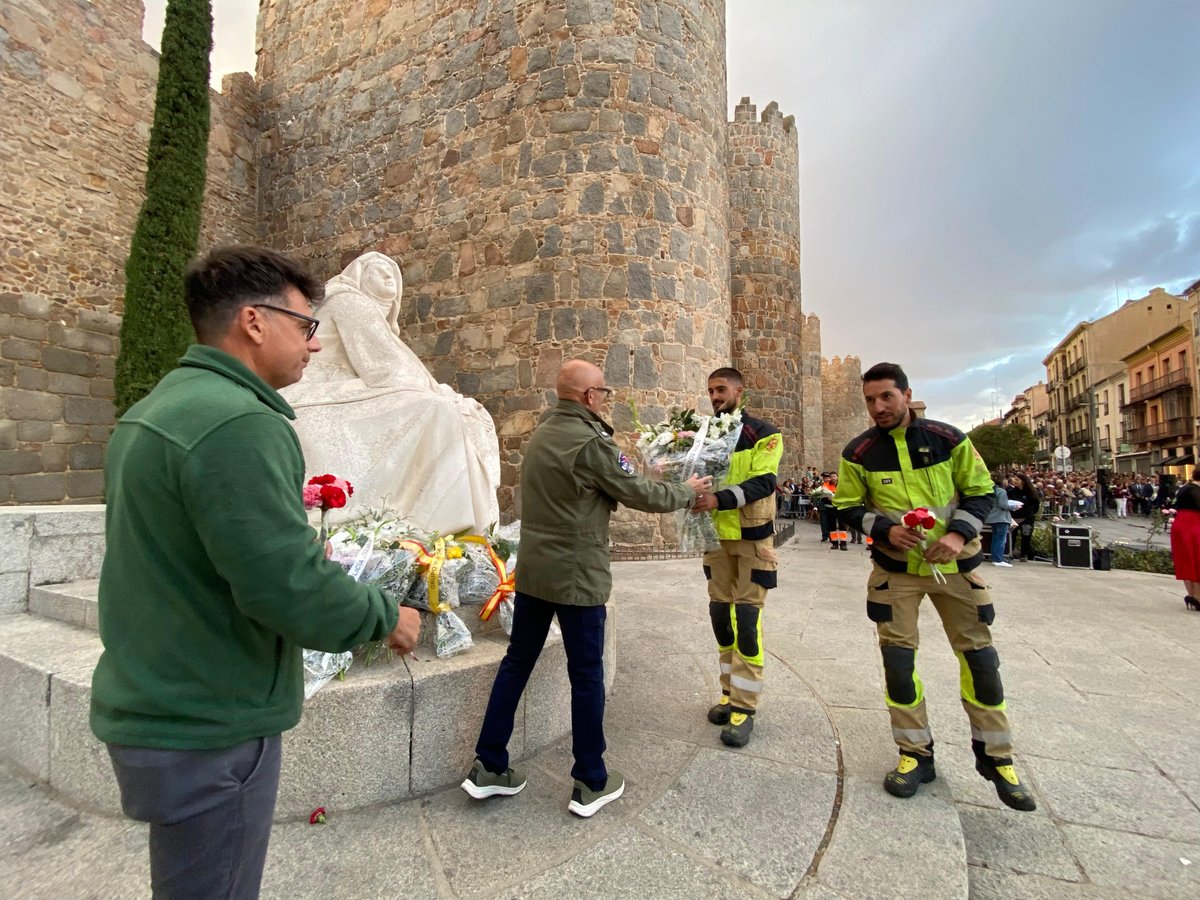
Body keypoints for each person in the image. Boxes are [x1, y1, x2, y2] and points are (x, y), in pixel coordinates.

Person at [90, 246, 421, 897]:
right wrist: (386, 614)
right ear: (253, 321)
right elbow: (286, 585)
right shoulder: (240, 422)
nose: (316, 347)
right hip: (212, 722)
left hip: (163, 701)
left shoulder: (158, 409)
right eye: (306, 327)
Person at [462, 360, 711, 817]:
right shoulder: (592, 442)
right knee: (586, 675)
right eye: (604, 391)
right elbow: (641, 495)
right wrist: (685, 490)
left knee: (517, 663)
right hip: (577, 577)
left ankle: (489, 765)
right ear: (587, 396)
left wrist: (635, 481)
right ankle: (591, 779)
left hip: (535, 573)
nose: (608, 399)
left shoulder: (541, 436)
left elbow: (595, 489)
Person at [834, 362, 1036, 811]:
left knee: (980, 659)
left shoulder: (948, 439)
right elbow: (846, 506)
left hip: (956, 567)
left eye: (886, 396)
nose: (878, 407)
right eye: (870, 400)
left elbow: (981, 491)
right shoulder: (859, 451)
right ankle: (914, 754)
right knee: (899, 663)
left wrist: (956, 534)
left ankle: (996, 757)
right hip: (896, 571)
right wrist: (884, 529)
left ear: (907, 394)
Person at [281, 252, 500, 535]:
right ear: (359, 275)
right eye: (378, 269)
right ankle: (436, 522)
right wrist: (442, 393)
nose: (388, 276)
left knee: (438, 406)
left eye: (393, 274)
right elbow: (385, 367)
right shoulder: (349, 300)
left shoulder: (356, 305)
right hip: (321, 389)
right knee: (435, 410)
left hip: (337, 388)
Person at [691, 367, 783, 748]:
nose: (715, 396)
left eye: (721, 389)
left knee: (747, 620)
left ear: (739, 391)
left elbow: (763, 482)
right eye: (711, 390)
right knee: (720, 617)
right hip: (715, 538)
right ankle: (728, 693)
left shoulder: (763, 433)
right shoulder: (701, 434)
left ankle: (745, 706)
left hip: (751, 540)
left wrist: (718, 499)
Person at [1169, 467, 1200, 612]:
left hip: (1182, 523)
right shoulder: (1195, 490)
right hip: (1193, 524)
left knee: (1187, 560)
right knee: (1197, 559)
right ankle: (1197, 597)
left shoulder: (1184, 488)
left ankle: (1192, 595)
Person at [1007, 472, 1041, 561]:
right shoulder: (1011, 491)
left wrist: (1029, 514)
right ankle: (1010, 552)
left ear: (1023, 481)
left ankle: (1024, 554)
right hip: (1014, 518)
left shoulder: (1031, 493)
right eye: (1014, 479)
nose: (1015, 481)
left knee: (1026, 535)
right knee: (1011, 536)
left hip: (1027, 518)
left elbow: (1036, 505)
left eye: (1017, 479)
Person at [986, 477, 1014, 567]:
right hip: (1001, 518)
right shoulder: (1001, 491)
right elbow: (1003, 505)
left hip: (992, 517)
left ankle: (995, 557)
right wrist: (1013, 507)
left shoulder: (990, 490)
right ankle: (998, 559)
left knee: (995, 538)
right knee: (1001, 539)